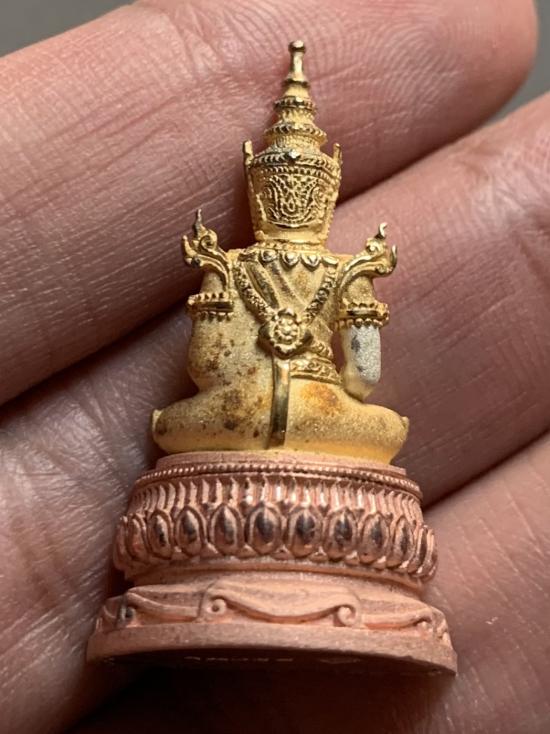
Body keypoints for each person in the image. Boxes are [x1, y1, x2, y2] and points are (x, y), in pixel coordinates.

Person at [0, 0, 548, 732]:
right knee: (344, 427)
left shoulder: (286, 270)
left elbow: (261, 374)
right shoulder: (286, 271)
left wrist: (315, 305)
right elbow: (311, 376)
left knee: (269, 426)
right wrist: (267, 317)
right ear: (287, 191)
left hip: (270, 418)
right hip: (287, 415)